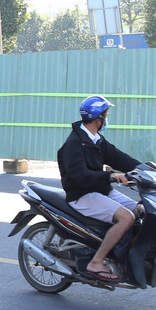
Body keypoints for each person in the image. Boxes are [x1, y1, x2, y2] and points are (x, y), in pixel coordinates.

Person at [57, 95, 142, 283]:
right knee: (126, 217)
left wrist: (144, 169)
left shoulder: (96, 139)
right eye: (106, 114)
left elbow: (118, 158)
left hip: (100, 190)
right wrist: (110, 176)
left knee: (139, 210)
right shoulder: (74, 144)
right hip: (82, 195)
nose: (107, 118)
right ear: (99, 118)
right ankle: (96, 262)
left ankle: (123, 256)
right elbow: (79, 176)